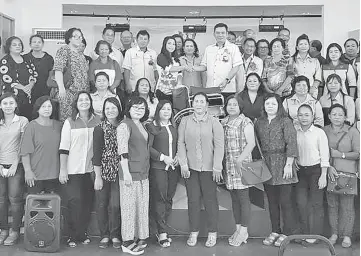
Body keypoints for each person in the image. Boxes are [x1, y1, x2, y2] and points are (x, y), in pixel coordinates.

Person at [178, 92, 224, 248]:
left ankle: (212, 232)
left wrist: (217, 166)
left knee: (210, 201)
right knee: (193, 201)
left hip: (210, 169)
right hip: (190, 169)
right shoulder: (185, 121)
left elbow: (219, 146)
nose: (198, 104)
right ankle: (194, 232)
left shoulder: (214, 122)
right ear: (192, 104)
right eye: (196, 101)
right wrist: (183, 163)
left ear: (207, 104)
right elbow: (180, 143)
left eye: (201, 101)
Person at [254, 94, 298, 247]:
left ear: (279, 106)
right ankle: (275, 230)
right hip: (266, 164)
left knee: (285, 202)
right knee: (272, 202)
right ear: (264, 106)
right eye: (267, 103)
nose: (270, 106)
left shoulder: (285, 121)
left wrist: (289, 163)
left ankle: (287, 233)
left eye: (273, 103)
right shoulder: (259, 122)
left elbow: (291, 142)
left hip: (283, 163)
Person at [59, 91, 100, 247]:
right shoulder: (70, 122)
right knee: (73, 202)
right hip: (73, 169)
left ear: (90, 102)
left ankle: (82, 234)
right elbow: (64, 148)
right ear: (76, 103)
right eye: (80, 100)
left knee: (87, 203)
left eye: (86, 99)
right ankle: (71, 235)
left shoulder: (98, 120)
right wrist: (63, 170)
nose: (84, 102)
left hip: (90, 170)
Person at [117, 96, 150, 255]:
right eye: (135, 107)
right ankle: (127, 241)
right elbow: (122, 151)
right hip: (130, 173)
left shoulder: (142, 125)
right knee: (129, 208)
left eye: (142, 108)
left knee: (141, 206)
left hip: (143, 172)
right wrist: (126, 173)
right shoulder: (124, 125)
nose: (139, 110)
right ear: (128, 108)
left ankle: (138, 236)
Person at [323, 104, 360, 248]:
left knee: (347, 206)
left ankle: (347, 235)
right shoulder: (324, 131)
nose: (337, 117)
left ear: (345, 117)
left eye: (340, 114)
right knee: (332, 205)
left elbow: (358, 153)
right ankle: (334, 233)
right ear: (329, 116)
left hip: (348, 174)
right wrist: (328, 167)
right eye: (334, 114)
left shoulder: (353, 131)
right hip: (330, 172)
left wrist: (341, 155)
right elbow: (321, 151)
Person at [221, 95, 255, 247]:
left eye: (235, 104)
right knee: (234, 198)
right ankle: (237, 228)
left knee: (243, 198)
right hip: (229, 165)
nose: (232, 107)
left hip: (242, 164)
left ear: (240, 107)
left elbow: (251, 143)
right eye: (229, 104)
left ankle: (244, 231)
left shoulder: (245, 121)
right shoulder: (224, 122)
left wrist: (240, 159)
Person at [295, 104, 329, 243]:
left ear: (313, 117)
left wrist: (323, 175)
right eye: (301, 115)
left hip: (316, 171)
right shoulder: (295, 131)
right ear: (297, 117)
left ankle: (315, 236)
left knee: (316, 204)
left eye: (307, 115)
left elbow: (325, 154)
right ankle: (304, 232)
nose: (304, 118)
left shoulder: (319, 132)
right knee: (301, 202)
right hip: (300, 171)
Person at [146, 100, 179, 248]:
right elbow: (148, 148)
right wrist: (163, 158)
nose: (166, 111)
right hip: (158, 167)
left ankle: (162, 229)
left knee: (168, 198)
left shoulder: (173, 127)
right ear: (158, 110)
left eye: (169, 109)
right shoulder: (152, 126)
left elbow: (179, 145)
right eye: (163, 109)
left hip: (173, 169)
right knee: (159, 199)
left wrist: (177, 157)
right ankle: (162, 232)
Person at [93, 97, 123, 249]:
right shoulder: (99, 128)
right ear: (104, 111)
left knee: (116, 205)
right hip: (103, 172)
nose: (110, 111)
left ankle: (115, 234)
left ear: (119, 108)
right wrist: (97, 177)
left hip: (120, 172)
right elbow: (96, 154)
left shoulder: (124, 126)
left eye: (113, 107)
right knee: (102, 204)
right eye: (107, 108)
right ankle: (104, 235)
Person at [0, 93, 28, 246]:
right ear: (0, 105)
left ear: (16, 105)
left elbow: (23, 145)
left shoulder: (22, 121)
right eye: (5, 103)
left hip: (15, 167)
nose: (8, 106)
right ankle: (3, 230)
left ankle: (15, 231)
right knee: (1, 200)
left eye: (11, 103)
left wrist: (15, 164)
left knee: (15, 200)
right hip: (0, 165)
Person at [21, 96, 62, 194]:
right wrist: (28, 171)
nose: (47, 109)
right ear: (38, 109)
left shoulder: (59, 125)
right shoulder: (31, 126)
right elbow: (25, 152)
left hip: (55, 175)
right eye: (44, 106)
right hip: (35, 175)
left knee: (53, 207)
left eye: (49, 106)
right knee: (35, 207)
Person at [196, 23, 244, 98]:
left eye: (223, 33)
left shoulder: (233, 48)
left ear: (227, 34)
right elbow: (204, 66)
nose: (220, 35)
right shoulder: (209, 48)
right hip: (211, 88)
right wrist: (193, 68)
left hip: (227, 88)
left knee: (227, 109)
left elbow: (236, 67)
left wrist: (226, 80)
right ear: (214, 34)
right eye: (218, 33)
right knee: (212, 109)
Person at [53, 28, 89, 121]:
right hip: (68, 92)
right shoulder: (64, 50)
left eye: (80, 36)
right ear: (69, 38)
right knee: (67, 121)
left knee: (78, 120)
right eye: (75, 36)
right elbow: (58, 70)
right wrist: (61, 88)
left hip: (81, 95)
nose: (79, 38)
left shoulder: (81, 54)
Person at [0, 36, 38, 120]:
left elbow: (34, 73)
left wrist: (30, 85)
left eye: (19, 44)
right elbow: (6, 78)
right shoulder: (5, 61)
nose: (18, 46)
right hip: (12, 96)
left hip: (28, 95)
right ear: (9, 47)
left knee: (27, 118)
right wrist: (23, 88)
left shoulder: (26, 58)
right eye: (14, 45)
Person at [290, 34, 322, 99]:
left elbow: (318, 77)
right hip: (296, 91)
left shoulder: (315, 61)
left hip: (312, 91)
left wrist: (313, 88)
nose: (303, 46)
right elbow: (290, 77)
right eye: (301, 44)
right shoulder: (292, 60)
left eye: (305, 44)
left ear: (308, 46)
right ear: (297, 47)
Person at [24, 34, 54, 102]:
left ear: (43, 44)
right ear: (30, 44)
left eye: (39, 42)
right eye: (34, 42)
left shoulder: (49, 58)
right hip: (29, 91)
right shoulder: (25, 58)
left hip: (45, 90)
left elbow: (51, 75)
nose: (36, 44)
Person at [155, 36, 183, 102]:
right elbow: (169, 69)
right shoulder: (161, 56)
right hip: (163, 91)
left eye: (174, 44)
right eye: (169, 43)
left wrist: (179, 84)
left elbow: (180, 73)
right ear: (165, 44)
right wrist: (184, 67)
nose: (171, 46)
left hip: (174, 92)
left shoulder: (176, 59)